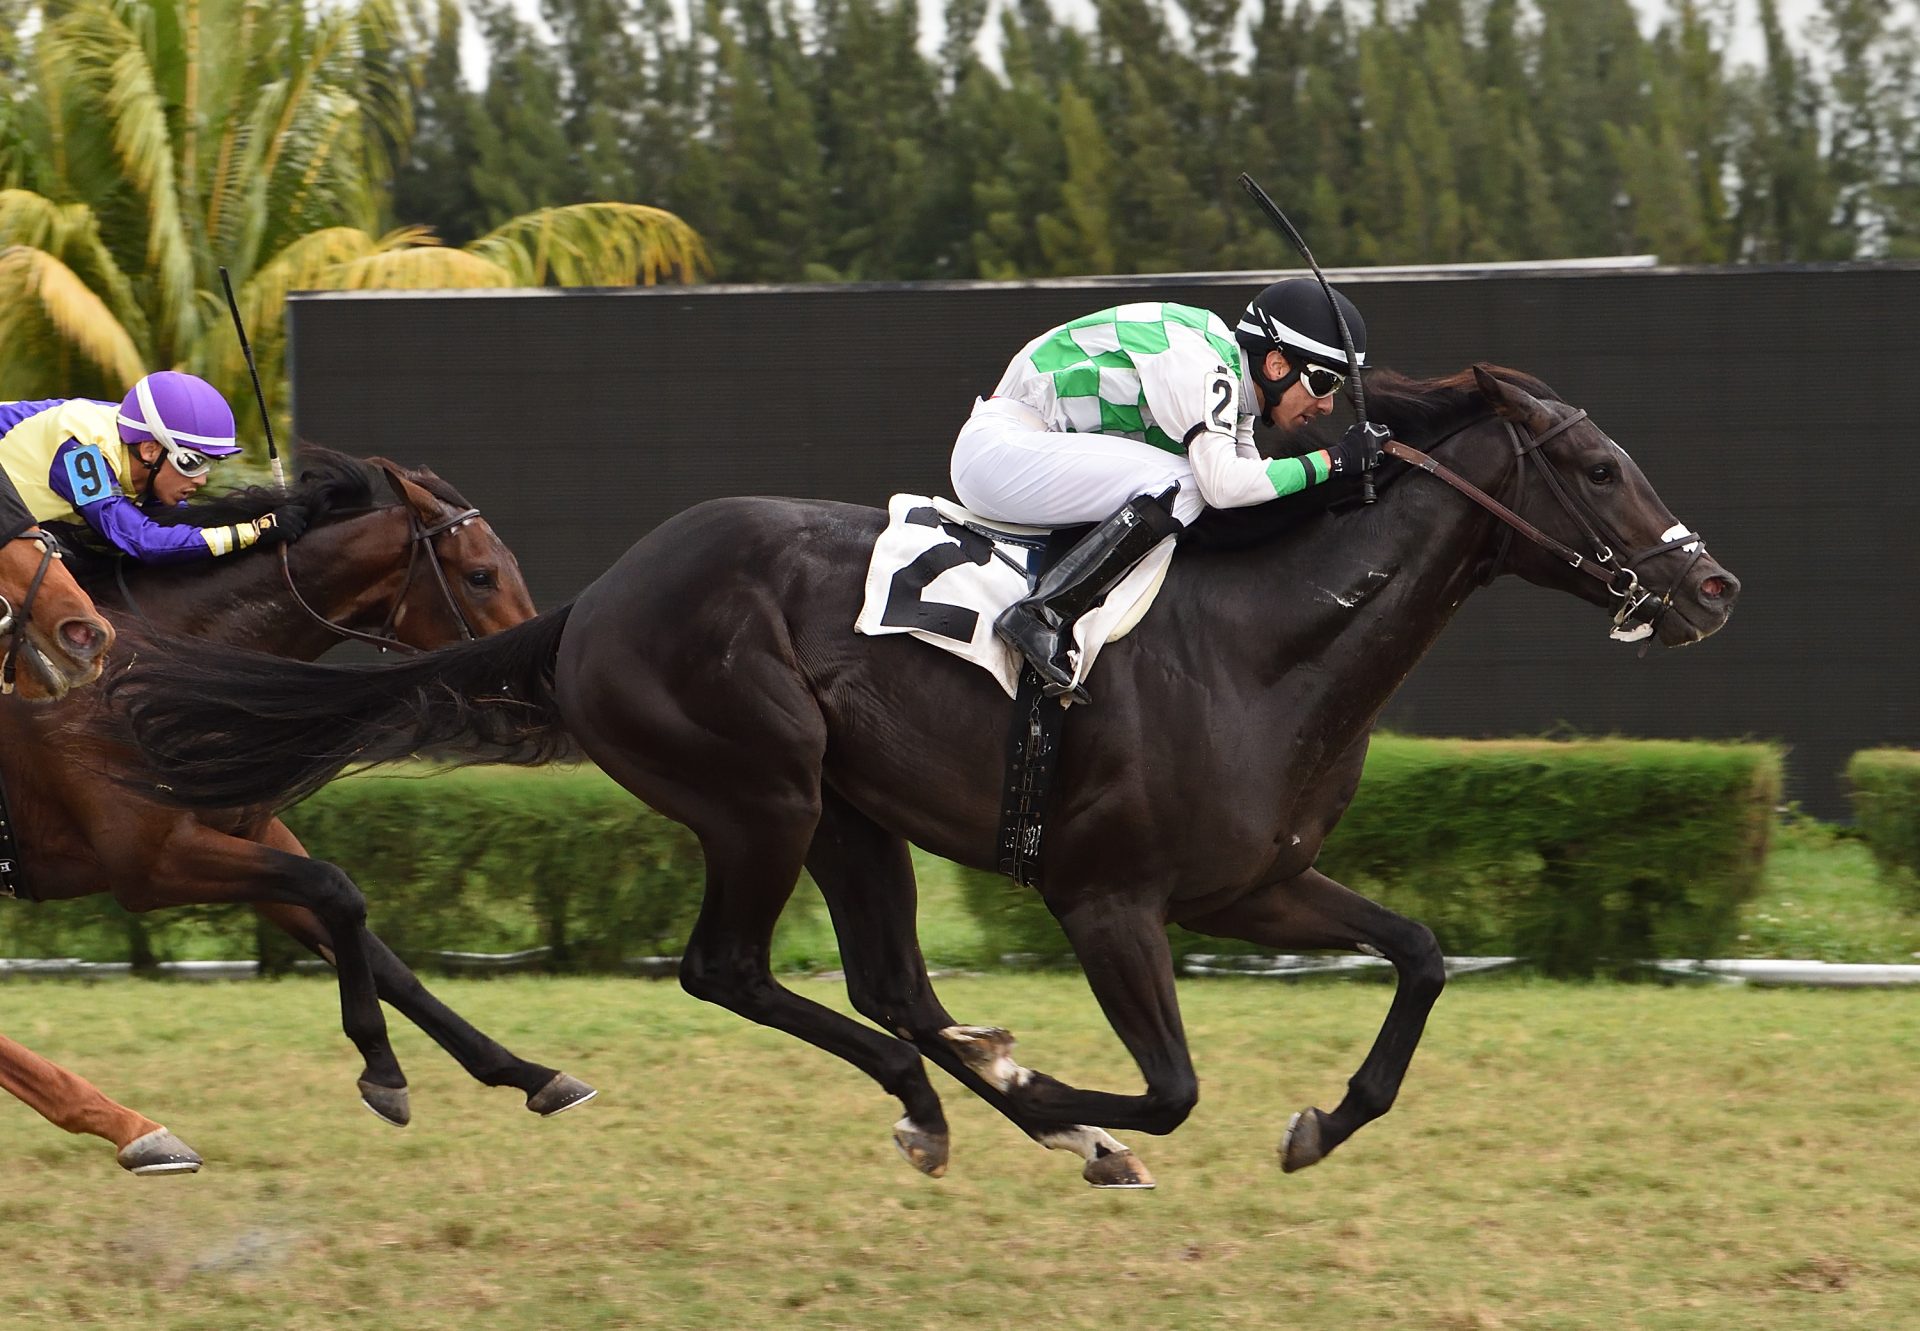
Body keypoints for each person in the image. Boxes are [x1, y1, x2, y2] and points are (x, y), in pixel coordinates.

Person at [950, 276, 1389, 699]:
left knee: (1195, 483)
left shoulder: (1229, 387)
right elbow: (1223, 487)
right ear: (1276, 365)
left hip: (1020, 448)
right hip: (1002, 450)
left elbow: (1249, 494)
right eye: (1323, 382)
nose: (1328, 405)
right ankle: (1043, 614)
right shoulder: (1202, 366)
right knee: (1186, 482)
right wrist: (1336, 460)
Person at [0, 371, 305, 564]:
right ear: (149, 449)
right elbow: (141, 541)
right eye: (192, 462)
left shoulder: (143, 454)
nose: (200, 480)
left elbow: (182, 528)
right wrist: (252, 532)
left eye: (208, 464)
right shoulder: (80, 451)